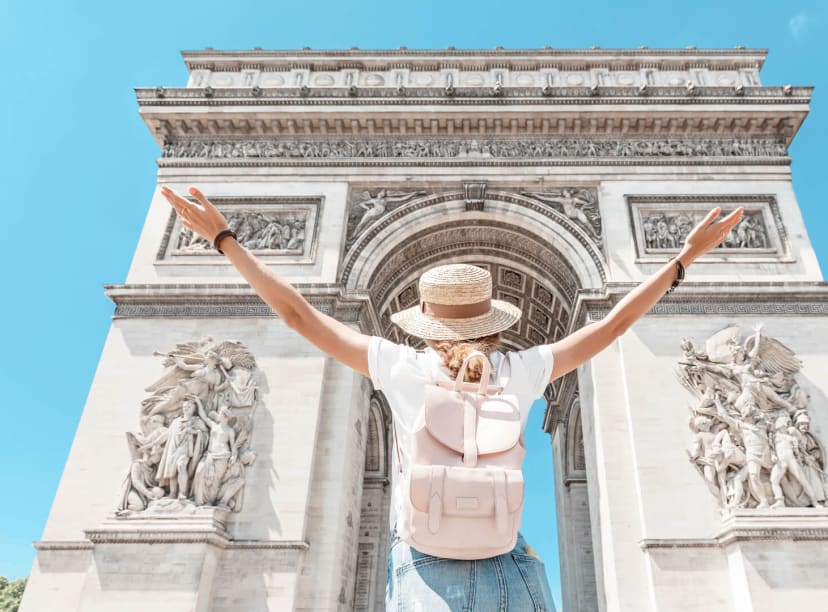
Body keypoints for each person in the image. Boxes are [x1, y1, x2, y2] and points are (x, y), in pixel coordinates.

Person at [161, 184, 742, 611]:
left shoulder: (398, 364)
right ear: (493, 323)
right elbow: (612, 328)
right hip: (512, 568)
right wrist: (681, 259)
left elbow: (295, 314)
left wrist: (224, 239)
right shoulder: (522, 368)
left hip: (423, 573)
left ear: (424, 323)